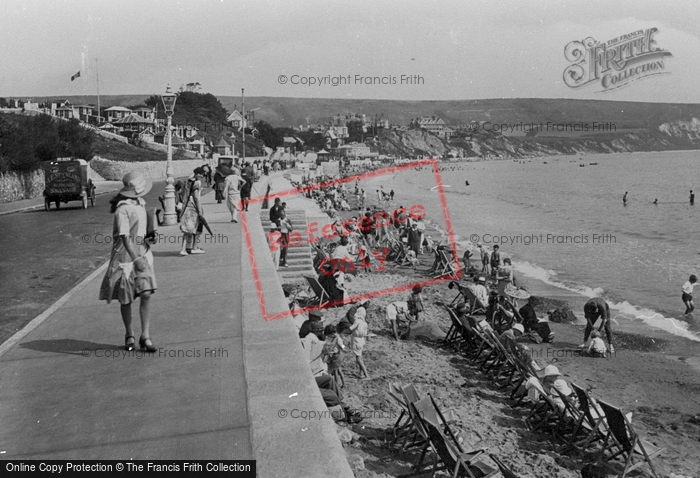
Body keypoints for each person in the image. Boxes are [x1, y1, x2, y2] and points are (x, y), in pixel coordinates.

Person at [99, 171, 158, 353]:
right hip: (126, 258)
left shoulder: (140, 204)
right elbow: (125, 238)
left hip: (143, 253)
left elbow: (141, 231)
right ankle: (129, 333)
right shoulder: (122, 209)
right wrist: (136, 259)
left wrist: (150, 237)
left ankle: (145, 335)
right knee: (127, 298)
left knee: (146, 293)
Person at [179, 168, 206, 256]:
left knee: (187, 228)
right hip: (193, 206)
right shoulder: (197, 182)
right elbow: (196, 197)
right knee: (195, 227)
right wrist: (200, 210)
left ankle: (185, 248)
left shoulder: (188, 180)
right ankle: (193, 247)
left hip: (186, 205)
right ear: (197, 174)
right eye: (201, 174)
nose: (202, 176)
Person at [349, 307, 370, 379]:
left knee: (358, 360)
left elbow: (351, 328)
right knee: (360, 357)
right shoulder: (365, 323)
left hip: (356, 340)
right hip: (362, 340)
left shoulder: (357, 321)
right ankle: (361, 374)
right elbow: (366, 333)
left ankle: (366, 375)